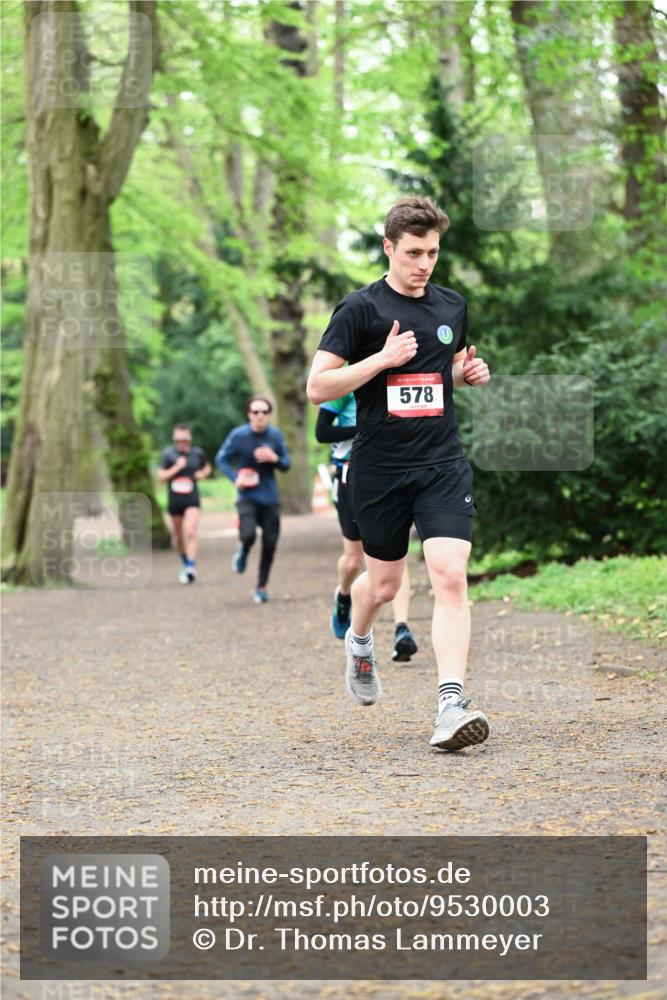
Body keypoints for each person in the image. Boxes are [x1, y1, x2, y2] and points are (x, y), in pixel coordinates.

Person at [306, 196, 491, 752]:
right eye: (413, 252)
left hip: (441, 465)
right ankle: (359, 640)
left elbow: (442, 370)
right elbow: (318, 387)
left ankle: (451, 704)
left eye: (432, 252)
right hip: (380, 469)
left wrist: (467, 372)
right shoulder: (359, 310)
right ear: (389, 247)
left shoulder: (451, 306)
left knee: (450, 575)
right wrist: (380, 361)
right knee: (384, 585)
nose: (424, 263)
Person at [316, 393, 419, 661]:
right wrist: (366, 428)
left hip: (391, 472)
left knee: (397, 554)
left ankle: (402, 629)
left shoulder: (397, 380)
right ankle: (344, 594)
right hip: (350, 474)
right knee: (353, 561)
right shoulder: (345, 386)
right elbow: (322, 431)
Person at [215, 397, 291, 604]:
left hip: (269, 497)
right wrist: (235, 478)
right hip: (247, 496)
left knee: (270, 544)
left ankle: (262, 586)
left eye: (264, 412)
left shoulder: (275, 436)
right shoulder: (239, 436)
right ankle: (243, 550)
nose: (260, 415)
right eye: (256, 411)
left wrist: (274, 458)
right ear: (249, 414)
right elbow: (221, 458)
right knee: (248, 535)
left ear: (269, 414)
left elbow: (286, 464)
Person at [157, 424, 211, 584]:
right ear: (174, 439)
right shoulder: (168, 454)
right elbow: (160, 477)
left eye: (184, 439)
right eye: (178, 439)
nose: (182, 442)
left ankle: (191, 566)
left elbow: (207, 467)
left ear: (189, 439)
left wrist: (202, 474)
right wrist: (176, 467)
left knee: (191, 531)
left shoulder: (197, 453)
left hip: (192, 498)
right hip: (175, 500)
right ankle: (185, 562)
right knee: (179, 536)